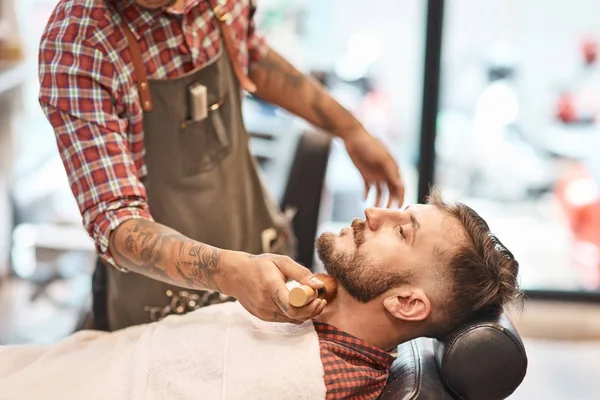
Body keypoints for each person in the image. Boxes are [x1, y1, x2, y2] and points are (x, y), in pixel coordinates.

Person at [38, 0, 405, 331]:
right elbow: (115, 220)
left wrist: (348, 128)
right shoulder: (77, 44)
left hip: (254, 234)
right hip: (161, 300)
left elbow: (251, 55)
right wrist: (231, 273)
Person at [0, 189, 522, 400]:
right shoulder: (306, 316)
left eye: (401, 231)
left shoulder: (314, 382)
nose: (373, 213)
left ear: (407, 304)